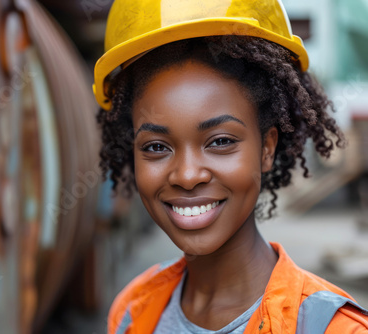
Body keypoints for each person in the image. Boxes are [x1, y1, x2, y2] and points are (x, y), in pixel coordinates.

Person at [92, 0, 368, 333]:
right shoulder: (132, 311)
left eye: (220, 141)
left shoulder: (334, 328)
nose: (187, 175)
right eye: (156, 147)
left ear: (267, 148)